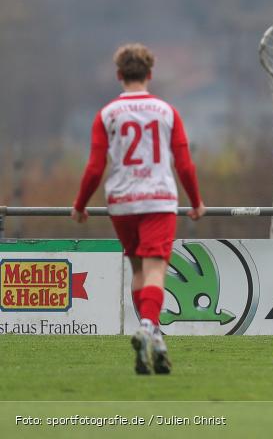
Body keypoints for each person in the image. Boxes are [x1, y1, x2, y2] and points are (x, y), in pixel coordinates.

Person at [72, 43, 205, 375]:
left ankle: (154, 336)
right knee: (156, 269)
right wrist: (196, 200)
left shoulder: (106, 114)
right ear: (150, 74)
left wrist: (80, 205)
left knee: (138, 271)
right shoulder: (166, 111)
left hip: (121, 201)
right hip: (157, 199)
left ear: (119, 75)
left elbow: (94, 166)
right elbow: (184, 164)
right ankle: (149, 327)